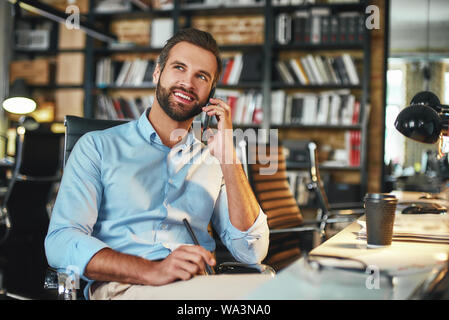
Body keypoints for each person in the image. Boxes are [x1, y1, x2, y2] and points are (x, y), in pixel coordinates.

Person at [45, 28, 269, 300]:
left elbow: (252, 251)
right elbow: (60, 241)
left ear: (211, 93)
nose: (187, 83)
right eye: (179, 68)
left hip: (198, 288)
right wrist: (152, 271)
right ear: (157, 73)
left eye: (201, 76)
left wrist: (229, 160)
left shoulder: (213, 161)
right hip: (125, 287)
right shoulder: (97, 147)